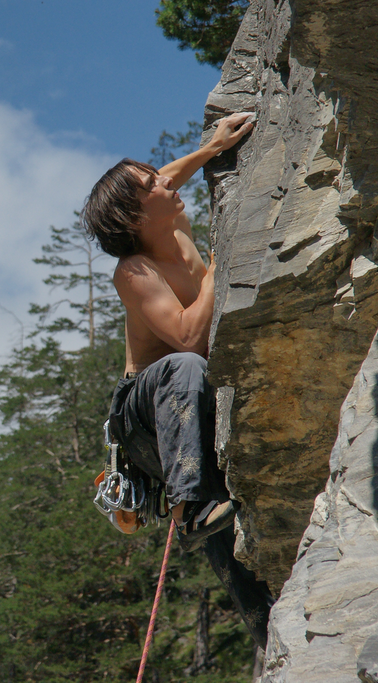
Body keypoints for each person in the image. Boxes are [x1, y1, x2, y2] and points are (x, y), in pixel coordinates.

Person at [81, 111, 254, 546]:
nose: (166, 181)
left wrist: (213, 148)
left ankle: (211, 528)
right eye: (151, 185)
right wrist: (216, 271)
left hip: (187, 403)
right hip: (145, 414)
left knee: (232, 540)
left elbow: (165, 178)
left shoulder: (170, 225)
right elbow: (188, 339)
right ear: (135, 217)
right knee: (185, 365)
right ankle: (187, 509)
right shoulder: (134, 271)